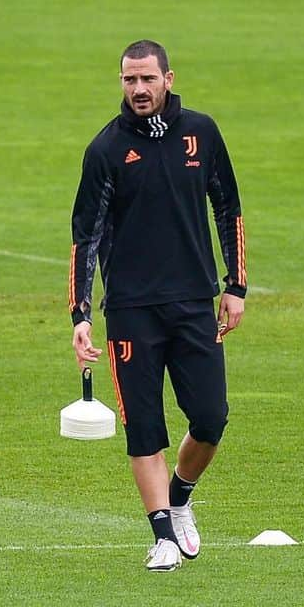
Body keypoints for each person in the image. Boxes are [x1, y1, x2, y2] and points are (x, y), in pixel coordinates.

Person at [68, 39, 247, 571]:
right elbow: (86, 238)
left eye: (147, 79)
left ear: (169, 78)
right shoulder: (105, 150)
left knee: (211, 418)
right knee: (144, 426)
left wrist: (235, 286)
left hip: (194, 303)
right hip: (131, 310)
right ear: (121, 83)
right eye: (129, 80)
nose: (139, 89)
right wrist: (80, 315)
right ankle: (163, 535)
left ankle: (181, 497)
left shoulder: (202, 133)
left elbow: (228, 207)